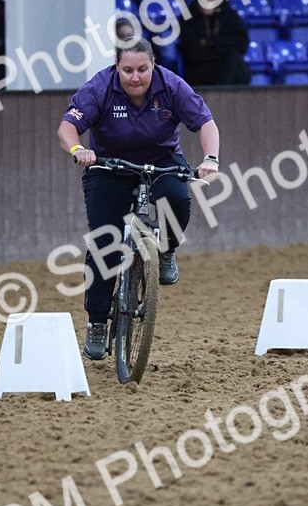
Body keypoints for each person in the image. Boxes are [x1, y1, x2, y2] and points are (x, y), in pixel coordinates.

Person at [56, 38, 221, 360]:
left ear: (153, 65)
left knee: (177, 197)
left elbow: (205, 123)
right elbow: (67, 127)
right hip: (107, 165)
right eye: (127, 70)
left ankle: (167, 251)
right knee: (106, 244)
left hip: (161, 159)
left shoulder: (172, 86)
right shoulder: (99, 87)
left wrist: (210, 158)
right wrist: (79, 150)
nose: (135, 77)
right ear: (116, 68)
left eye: (142, 69)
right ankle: (98, 323)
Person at [178, 0, 250, 86]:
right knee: (234, 61)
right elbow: (193, 55)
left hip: (227, 66)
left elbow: (242, 44)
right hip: (199, 70)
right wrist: (224, 50)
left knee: (238, 66)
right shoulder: (188, 17)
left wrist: (211, 42)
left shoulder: (228, 13)